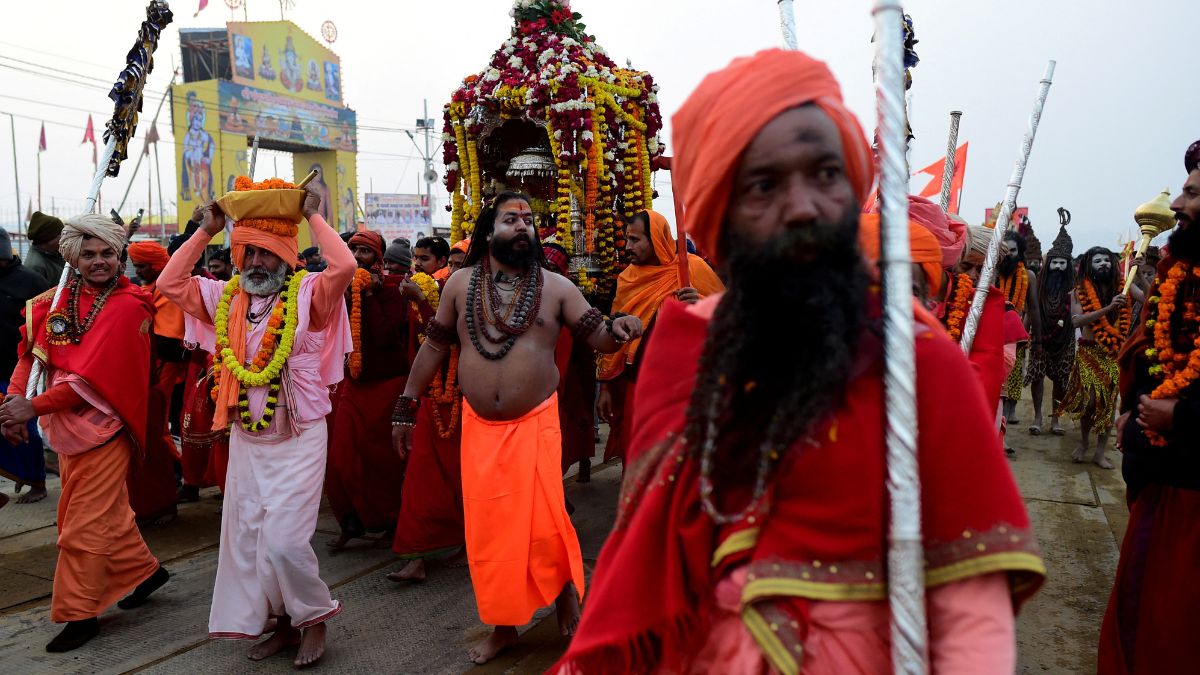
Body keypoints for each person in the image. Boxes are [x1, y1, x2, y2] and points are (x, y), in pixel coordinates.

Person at [555, 49, 1045, 673]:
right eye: (764, 185)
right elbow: (644, 574)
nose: (804, 206)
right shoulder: (685, 348)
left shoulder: (921, 359)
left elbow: (972, 608)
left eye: (824, 173)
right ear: (719, 218)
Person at [393, 192, 644, 665]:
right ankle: (504, 625)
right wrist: (406, 405)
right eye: (513, 219)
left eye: (530, 219)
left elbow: (599, 335)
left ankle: (565, 592)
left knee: (545, 520)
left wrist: (623, 327)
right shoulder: (460, 284)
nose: (524, 226)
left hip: (536, 421)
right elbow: (433, 348)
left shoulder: (556, 287)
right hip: (480, 425)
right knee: (490, 533)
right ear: (490, 232)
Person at [158, 177, 354, 667]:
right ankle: (285, 624)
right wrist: (206, 232)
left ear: (288, 257)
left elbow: (345, 264)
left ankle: (315, 617)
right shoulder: (226, 298)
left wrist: (312, 215)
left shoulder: (310, 294)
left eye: (268, 255)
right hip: (248, 434)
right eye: (250, 254)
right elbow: (167, 284)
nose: (257, 263)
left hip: (302, 434)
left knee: (286, 542)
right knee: (252, 539)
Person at [0, 214, 169, 651]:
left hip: (107, 429)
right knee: (104, 516)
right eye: (89, 254)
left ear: (120, 256)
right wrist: (12, 407)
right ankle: (147, 571)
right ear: (71, 256)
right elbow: (30, 356)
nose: (99, 262)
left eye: (107, 253)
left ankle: (80, 613)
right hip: (62, 431)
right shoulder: (52, 302)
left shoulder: (130, 307)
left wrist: (31, 407)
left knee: (81, 527)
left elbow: (86, 383)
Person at [1099, 141, 1200, 673]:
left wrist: (1181, 417)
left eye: (1192, 192)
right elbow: (1159, 350)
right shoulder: (1179, 271)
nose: (1179, 204)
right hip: (1163, 485)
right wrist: (1133, 406)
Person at [597, 210, 723, 462]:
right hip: (637, 387)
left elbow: (730, 320)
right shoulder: (627, 279)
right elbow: (613, 340)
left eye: (635, 240)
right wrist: (606, 387)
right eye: (627, 239)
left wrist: (700, 306)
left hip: (685, 390)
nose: (628, 246)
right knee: (639, 460)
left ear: (656, 238)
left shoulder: (691, 269)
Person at [326, 230, 422, 550]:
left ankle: (390, 520)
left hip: (386, 385)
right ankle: (350, 520)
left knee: (383, 460)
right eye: (351, 250)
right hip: (353, 384)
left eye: (364, 252)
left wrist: (368, 297)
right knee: (340, 457)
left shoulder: (393, 292)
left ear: (378, 258)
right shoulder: (339, 289)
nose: (356, 257)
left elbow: (383, 338)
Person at [126, 241, 184, 525]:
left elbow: (169, 342)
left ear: (159, 263)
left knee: (155, 435)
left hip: (158, 372)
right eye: (135, 266)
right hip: (138, 374)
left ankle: (164, 498)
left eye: (143, 266)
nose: (138, 271)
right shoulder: (141, 289)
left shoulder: (167, 290)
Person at [1056, 246, 1129, 469]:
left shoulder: (1124, 287)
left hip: (1113, 354)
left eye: (1107, 260)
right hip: (1089, 352)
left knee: (1108, 404)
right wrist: (1108, 308)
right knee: (1089, 403)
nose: (1104, 264)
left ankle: (1099, 452)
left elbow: (1147, 297)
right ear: (1089, 265)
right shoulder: (1079, 291)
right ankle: (1084, 442)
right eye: (1098, 261)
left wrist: (1139, 275)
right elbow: (1077, 321)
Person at [0, 228, 51, 507]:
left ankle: (36, 480)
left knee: (22, 424)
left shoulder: (30, 282)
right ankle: (14, 474)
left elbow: (49, 323)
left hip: (18, 368)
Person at [1027, 222, 1076, 436]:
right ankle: (1038, 416)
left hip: (1065, 340)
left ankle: (1056, 418)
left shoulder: (1074, 287)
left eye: (1062, 263)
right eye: (1054, 262)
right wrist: (1024, 332)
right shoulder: (1038, 282)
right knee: (1037, 376)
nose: (1057, 267)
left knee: (1061, 380)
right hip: (1040, 337)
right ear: (1048, 264)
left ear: (1068, 265)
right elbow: (1031, 309)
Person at [998, 230, 1040, 424]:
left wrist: (1037, 339)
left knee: (1014, 371)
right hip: (993, 329)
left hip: (1017, 332)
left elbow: (1033, 308)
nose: (1008, 255)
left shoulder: (1029, 276)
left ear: (1020, 252)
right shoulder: (991, 271)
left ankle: (1010, 409)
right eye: (1005, 250)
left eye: (1012, 251)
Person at [25, 211, 66, 285]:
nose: (64, 238)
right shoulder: (36, 267)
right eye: (61, 234)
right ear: (48, 239)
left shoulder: (54, 253)